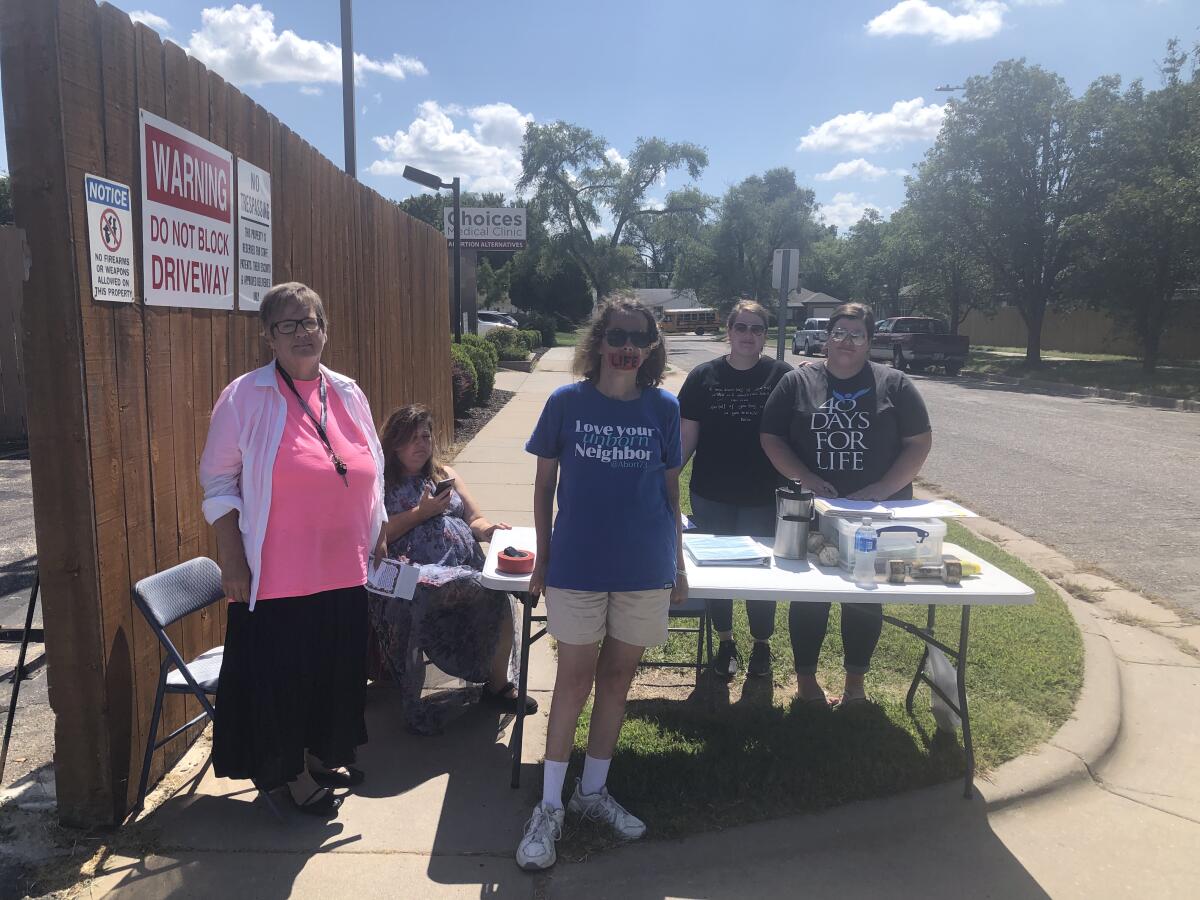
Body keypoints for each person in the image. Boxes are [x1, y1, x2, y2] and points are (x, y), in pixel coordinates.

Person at [200, 282, 387, 817]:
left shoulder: (347, 391)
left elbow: (366, 463)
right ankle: (283, 773)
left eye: (312, 322)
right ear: (269, 337)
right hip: (277, 574)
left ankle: (321, 754)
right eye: (289, 324)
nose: (303, 333)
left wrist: (378, 529)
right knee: (285, 679)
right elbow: (218, 483)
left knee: (333, 672)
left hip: (343, 568)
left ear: (325, 329)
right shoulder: (245, 396)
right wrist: (231, 559)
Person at [515, 296, 686, 871]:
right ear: (599, 341)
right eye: (617, 335)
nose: (627, 347)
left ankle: (592, 794)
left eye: (639, 337)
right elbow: (543, 487)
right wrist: (542, 559)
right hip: (579, 566)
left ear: (652, 346)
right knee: (574, 679)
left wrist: (678, 565)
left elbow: (670, 492)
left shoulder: (664, 408)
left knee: (617, 680)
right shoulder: (566, 403)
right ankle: (548, 806)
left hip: (644, 566)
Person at [759, 302, 932, 709]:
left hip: (873, 515)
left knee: (865, 596)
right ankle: (806, 682)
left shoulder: (896, 384)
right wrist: (806, 479)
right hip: (810, 511)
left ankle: (855, 683)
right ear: (826, 337)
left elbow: (919, 443)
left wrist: (883, 488)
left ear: (870, 341)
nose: (846, 341)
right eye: (839, 332)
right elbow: (771, 437)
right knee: (809, 598)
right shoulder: (799, 382)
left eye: (856, 334)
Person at [369, 403, 533, 734]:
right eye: (411, 438)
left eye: (426, 436)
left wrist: (488, 530)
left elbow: (473, 518)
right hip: (413, 576)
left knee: (498, 594)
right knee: (442, 589)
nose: (420, 444)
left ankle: (497, 686)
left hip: (462, 567)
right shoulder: (379, 484)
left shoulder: (445, 475)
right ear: (394, 443)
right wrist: (421, 512)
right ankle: (413, 700)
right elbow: (375, 537)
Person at [678, 300, 793, 679]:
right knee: (717, 574)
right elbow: (686, 439)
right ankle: (725, 643)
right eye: (741, 327)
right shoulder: (701, 377)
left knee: (762, 577)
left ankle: (762, 646)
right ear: (728, 332)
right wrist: (661, 478)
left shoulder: (782, 375)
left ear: (765, 334)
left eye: (757, 328)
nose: (748, 335)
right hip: (711, 492)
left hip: (763, 495)